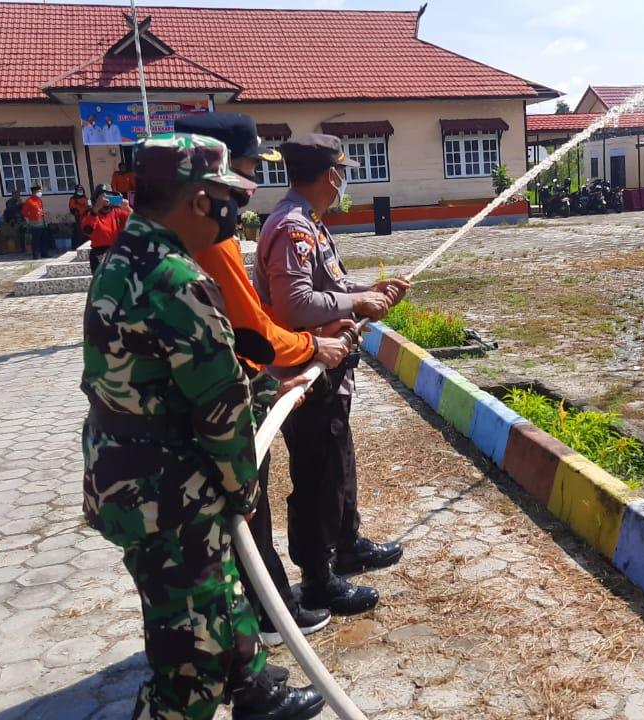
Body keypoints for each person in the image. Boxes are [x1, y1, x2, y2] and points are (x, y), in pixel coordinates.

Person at [81, 133, 325, 720]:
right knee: (190, 648)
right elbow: (217, 408)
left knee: (214, 594)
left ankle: (253, 689)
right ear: (198, 201)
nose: (234, 212)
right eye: (228, 199)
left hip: (124, 472)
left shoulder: (124, 256)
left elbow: (169, 376)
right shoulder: (175, 280)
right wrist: (242, 487)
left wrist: (271, 388)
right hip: (168, 491)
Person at [176, 112, 357, 646]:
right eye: (247, 169)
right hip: (211, 416)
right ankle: (267, 614)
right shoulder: (210, 242)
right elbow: (256, 322)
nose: (250, 186)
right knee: (244, 514)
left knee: (243, 514)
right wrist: (307, 349)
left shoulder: (181, 240)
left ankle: (261, 615)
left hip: (231, 392)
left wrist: (261, 379)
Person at [255, 135, 409, 616]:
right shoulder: (292, 229)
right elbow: (294, 304)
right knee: (317, 473)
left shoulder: (310, 225)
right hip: (306, 369)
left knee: (338, 459)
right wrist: (356, 302)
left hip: (329, 366)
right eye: (342, 172)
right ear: (330, 175)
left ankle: (347, 543)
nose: (344, 181)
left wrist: (370, 292)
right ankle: (319, 577)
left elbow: (332, 288)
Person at [80, 184, 130, 274]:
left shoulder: (118, 211)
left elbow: (137, 223)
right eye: (103, 197)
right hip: (99, 253)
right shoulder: (91, 214)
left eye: (109, 196)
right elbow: (87, 230)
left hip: (117, 252)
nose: (106, 200)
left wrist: (128, 208)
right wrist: (96, 208)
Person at [21, 185, 48, 259]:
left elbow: (40, 210)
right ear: (33, 192)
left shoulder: (39, 200)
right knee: (36, 239)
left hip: (42, 221)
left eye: (40, 191)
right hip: (35, 222)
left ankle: (44, 253)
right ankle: (36, 255)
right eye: (38, 191)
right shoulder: (29, 201)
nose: (40, 193)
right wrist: (31, 218)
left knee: (43, 238)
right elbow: (24, 212)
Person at [2, 190, 26, 254]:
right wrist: (17, 204)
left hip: (20, 220)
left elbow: (23, 211)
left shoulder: (21, 202)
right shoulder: (9, 202)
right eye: (15, 195)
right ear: (12, 195)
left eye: (18, 195)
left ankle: (23, 248)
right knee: (14, 233)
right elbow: (10, 210)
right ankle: (16, 249)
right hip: (11, 221)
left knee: (23, 232)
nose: (17, 196)